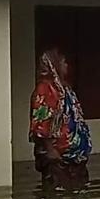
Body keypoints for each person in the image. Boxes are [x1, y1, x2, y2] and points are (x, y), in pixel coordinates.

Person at [30, 49, 92, 189]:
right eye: (63, 62)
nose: (66, 65)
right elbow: (41, 121)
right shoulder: (45, 89)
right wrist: (50, 149)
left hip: (74, 159)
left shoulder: (64, 89)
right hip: (58, 159)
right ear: (55, 64)